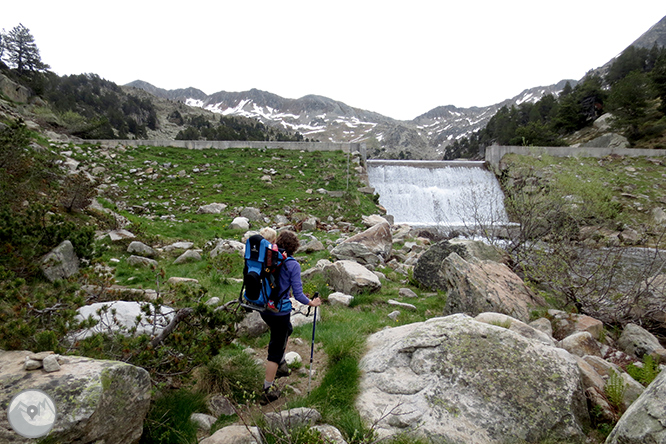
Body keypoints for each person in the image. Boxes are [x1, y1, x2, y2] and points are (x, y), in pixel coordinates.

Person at [260, 230, 321, 403]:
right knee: (276, 348)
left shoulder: (267, 257)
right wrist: (311, 303)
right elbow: (299, 295)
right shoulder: (292, 264)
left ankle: (280, 363)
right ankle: (268, 389)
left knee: (288, 329)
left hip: (263, 308)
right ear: (295, 248)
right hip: (279, 311)